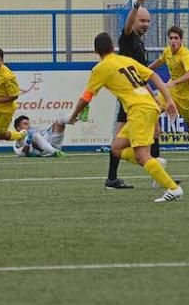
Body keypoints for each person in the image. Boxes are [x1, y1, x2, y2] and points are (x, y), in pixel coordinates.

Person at [67, 32, 182, 202]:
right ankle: (156, 164)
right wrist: (169, 100)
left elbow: (86, 97)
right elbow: (154, 76)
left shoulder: (100, 68)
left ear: (95, 51)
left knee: (142, 156)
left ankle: (173, 188)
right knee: (116, 147)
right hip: (148, 106)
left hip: (139, 110)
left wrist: (73, 116)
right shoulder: (126, 60)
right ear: (113, 47)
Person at [104, 0, 160, 190]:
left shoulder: (139, 42)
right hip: (131, 98)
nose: (145, 24)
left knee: (152, 132)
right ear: (134, 20)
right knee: (149, 132)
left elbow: (142, 75)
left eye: (148, 21)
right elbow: (127, 26)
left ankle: (112, 178)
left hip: (137, 96)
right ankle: (154, 172)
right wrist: (136, 5)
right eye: (142, 20)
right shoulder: (128, 38)